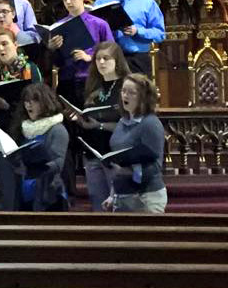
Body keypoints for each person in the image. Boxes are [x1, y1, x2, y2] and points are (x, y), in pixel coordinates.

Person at [0, 28, 43, 210]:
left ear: (16, 45)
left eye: (5, 44)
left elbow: (40, 102)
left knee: (26, 185)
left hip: (24, 132)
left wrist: (9, 107)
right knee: (7, 186)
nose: (1, 49)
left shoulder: (29, 68)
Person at [70, 42, 130, 211]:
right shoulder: (93, 86)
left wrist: (101, 125)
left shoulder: (126, 85)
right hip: (93, 153)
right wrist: (80, 120)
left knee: (118, 205)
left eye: (106, 58)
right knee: (99, 205)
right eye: (98, 59)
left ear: (117, 61)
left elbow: (129, 123)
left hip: (115, 154)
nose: (101, 62)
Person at [103, 73, 166, 212]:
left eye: (131, 93)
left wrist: (130, 173)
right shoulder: (122, 122)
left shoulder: (150, 123)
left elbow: (155, 167)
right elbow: (119, 164)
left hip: (145, 197)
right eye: (123, 91)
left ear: (143, 97)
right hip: (122, 196)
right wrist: (112, 195)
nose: (125, 95)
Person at [47, 0, 115, 106]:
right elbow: (56, 62)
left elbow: (112, 52)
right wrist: (52, 49)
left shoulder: (99, 24)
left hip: (92, 79)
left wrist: (90, 57)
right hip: (67, 80)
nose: (68, 2)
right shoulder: (58, 26)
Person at [94, 0, 166, 76]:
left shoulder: (146, 3)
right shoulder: (101, 3)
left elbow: (160, 34)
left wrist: (137, 31)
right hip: (108, 59)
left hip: (136, 60)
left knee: (136, 93)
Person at [10, 83, 70, 211]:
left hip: (49, 195)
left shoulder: (57, 129)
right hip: (25, 191)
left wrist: (34, 170)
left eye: (34, 101)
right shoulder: (23, 128)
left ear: (45, 102)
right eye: (26, 101)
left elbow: (58, 163)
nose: (29, 105)